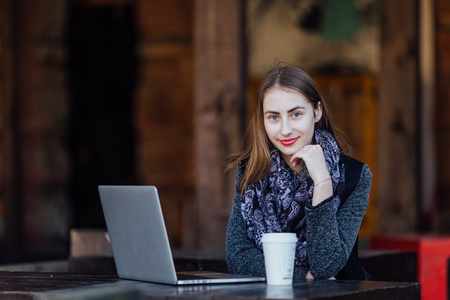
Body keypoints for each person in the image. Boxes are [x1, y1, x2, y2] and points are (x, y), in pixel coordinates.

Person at [225, 62, 373, 280]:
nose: (285, 130)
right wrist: (302, 276)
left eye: (295, 114)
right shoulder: (251, 169)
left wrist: (322, 182)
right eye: (273, 117)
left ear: (316, 112)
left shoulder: (354, 176)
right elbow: (237, 257)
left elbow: (326, 266)